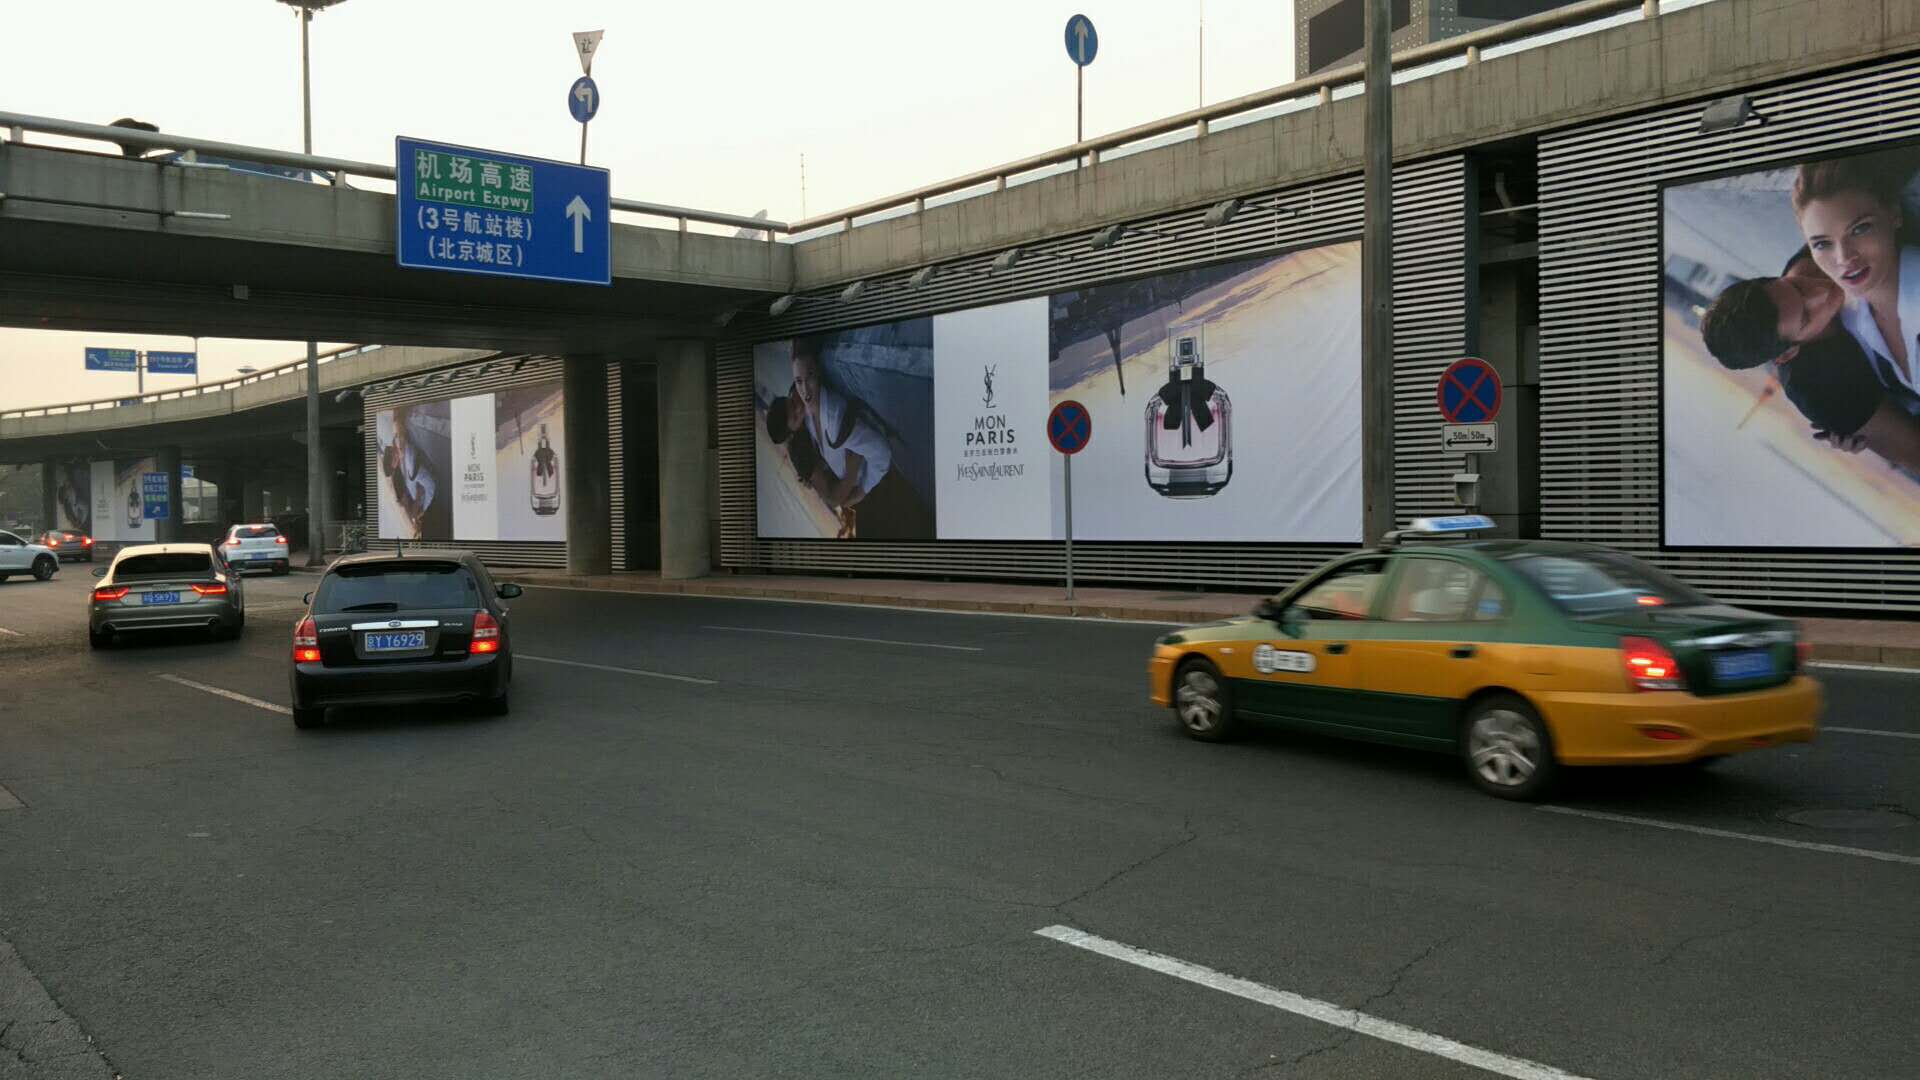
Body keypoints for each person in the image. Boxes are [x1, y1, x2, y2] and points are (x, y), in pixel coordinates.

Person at [1700, 248, 1920, 475]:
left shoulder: (1819, 254)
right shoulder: (1816, 389)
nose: (1820, 291)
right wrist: (1858, 424)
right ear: (1787, 354)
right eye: (1806, 316)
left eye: (1797, 286)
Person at [1792, 159, 1920, 396]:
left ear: (1894, 214)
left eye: (1860, 229)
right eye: (1822, 244)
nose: (1844, 258)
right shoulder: (1852, 317)